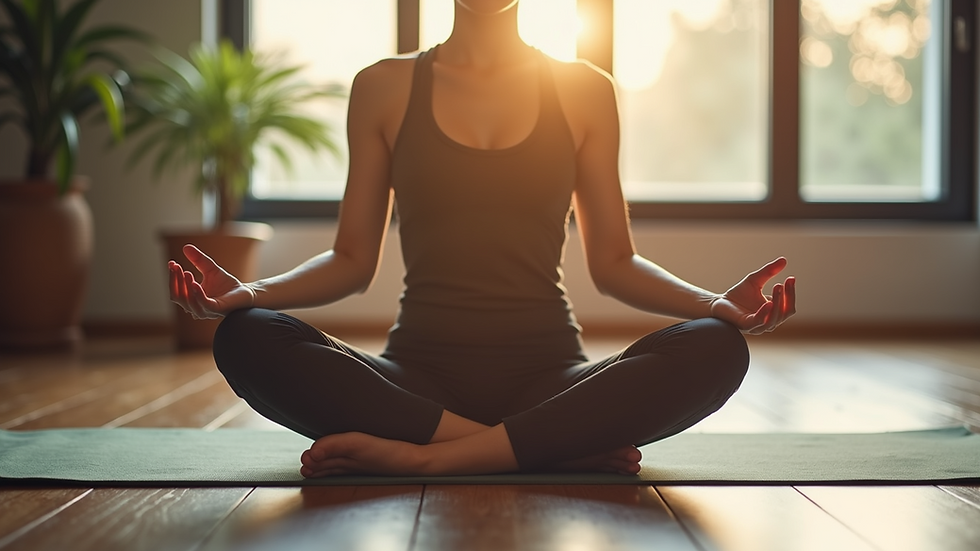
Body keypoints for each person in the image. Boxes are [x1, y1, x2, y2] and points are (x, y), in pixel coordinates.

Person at [167, 0, 796, 478]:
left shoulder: (585, 90)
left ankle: (429, 459)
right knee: (246, 335)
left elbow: (615, 263)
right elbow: (352, 261)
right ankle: (543, 446)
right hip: (414, 381)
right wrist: (251, 291)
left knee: (718, 346)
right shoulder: (383, 86)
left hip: (552, 378)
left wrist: (715, 305)